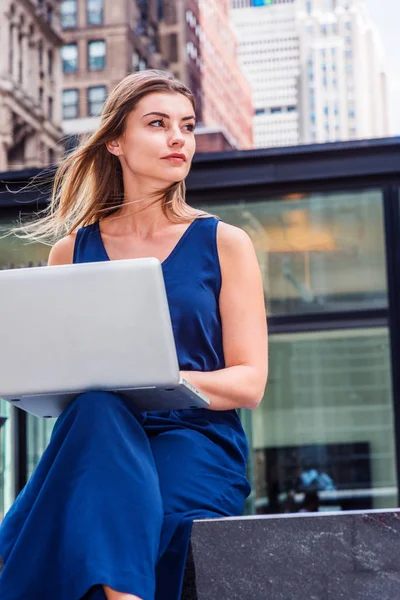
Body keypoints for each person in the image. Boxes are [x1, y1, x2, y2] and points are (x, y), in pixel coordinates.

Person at [0, 70, 268, 600]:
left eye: (186, 127)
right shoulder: (70, 252)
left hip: (195, 436)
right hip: (97, 435)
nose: (178, 138)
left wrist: (164, 382)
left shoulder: (224, 242)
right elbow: (63, 375)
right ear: (116, 142)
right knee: (98, 407)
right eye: (158, 124)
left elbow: (249, 382)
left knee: (127, 519)